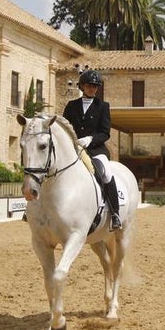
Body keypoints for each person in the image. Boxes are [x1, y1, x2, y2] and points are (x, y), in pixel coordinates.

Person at [62, 69, 121, 230]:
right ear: (82, 86)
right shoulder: (71, 106)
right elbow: (65, 127)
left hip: (96, 150)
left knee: (107, 173)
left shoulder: (102, 106)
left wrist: (90, 140)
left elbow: (105, 133)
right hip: (74, 149)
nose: (92, 88)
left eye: (95, 86)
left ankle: (115, 214)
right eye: (89, 85)